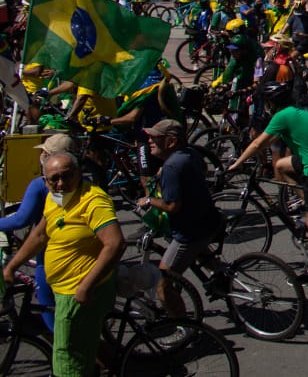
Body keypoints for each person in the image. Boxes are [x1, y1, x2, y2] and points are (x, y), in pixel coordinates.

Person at [3, 152, 125, 377]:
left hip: (77, 291)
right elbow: (39, 235)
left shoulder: (92, 201)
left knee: (67, 359)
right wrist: (12, 266)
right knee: (78, 349)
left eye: (66, 176)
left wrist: (86, 286)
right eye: (54, 179)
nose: (60, 183)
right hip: (63, 288)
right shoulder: (54, 198)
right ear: (45, 180)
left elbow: (115, 244)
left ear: (79, 173)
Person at [228, 85, 308, 280]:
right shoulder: (294, 111)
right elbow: (269, 141)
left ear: (273, 103)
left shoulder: (282, 117)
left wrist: (237, 163)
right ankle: (306, 199)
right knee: (279, 166)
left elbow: (258, 144)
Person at [136, 118, 223, 318]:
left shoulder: (171, 167)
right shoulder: (190, 153)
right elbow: (203, 169)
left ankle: (184, 328)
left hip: (191, 231)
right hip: (209, 219)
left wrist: (149, 201)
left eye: (155, 138)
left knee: (162, 282)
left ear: (171, 142)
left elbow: (172, 206)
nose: (149, 141)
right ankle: (220, 274)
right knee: (201, 255)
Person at [0, 132, 78, 331]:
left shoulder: (42, 185)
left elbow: (21, 220)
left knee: (49, 311)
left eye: (44, 152)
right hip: (79, 258)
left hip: (50, 258)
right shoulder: (80, 181)